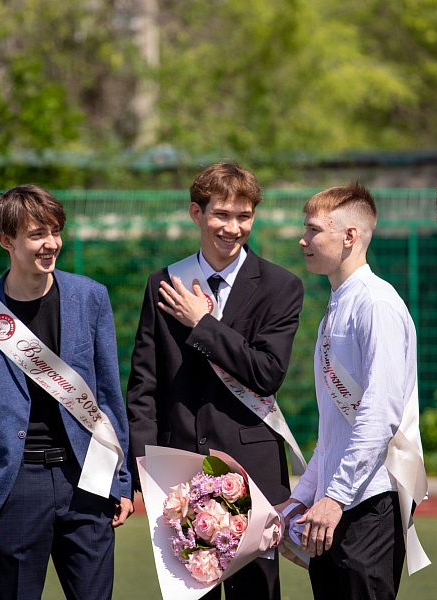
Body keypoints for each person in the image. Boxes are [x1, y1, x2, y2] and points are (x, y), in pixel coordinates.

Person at [0, 185, 132, 600]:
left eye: (55, 231)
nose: (51, 243)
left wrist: (120, 479)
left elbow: (108, 396)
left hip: (88, 478)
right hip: (14, 485)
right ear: (6, 241)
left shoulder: (91, 297)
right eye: (37, 234)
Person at [127, 162, 304, 599]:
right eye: (221, 214)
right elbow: (144, 385)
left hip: (254, 475)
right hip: (178, 473)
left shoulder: (281, 286)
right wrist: (145, 466)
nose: (233, 227)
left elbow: (267, 374)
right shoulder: (163, 283)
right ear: (196, 213)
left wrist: (202, 324)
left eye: (244, 216)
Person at [278, 183, 427, 599]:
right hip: (336, 504)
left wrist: (334, 497)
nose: (303, 239)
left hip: (367, 503)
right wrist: (302, 497)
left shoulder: (376, 304)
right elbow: (334, 434)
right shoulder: (338, 303)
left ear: (350, 236)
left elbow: (379, 415)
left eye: (313, 230)